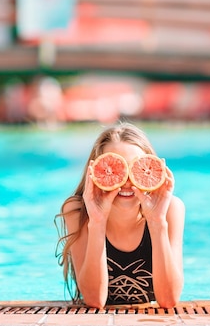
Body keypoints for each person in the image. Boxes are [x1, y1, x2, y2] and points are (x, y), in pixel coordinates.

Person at [56, 122, 185, 309]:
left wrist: (157, 221)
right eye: (114, 169)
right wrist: (97, 220)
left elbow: (168, 300)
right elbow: (95, 301)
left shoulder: (171, 209)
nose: (126, 182)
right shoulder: (78, 211)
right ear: (96, 172)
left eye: (136, 168)